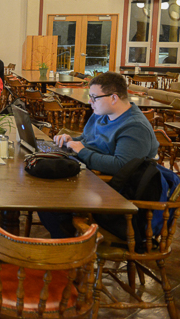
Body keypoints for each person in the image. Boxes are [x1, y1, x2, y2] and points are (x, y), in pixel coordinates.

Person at [39, 72, 159, 238]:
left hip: (114, 192)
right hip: (93, 178)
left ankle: (69, 246)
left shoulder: (135, 128)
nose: (90, 102)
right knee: (42, 185)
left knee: (49, 198)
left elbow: (122, 167)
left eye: (94, 97)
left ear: (114, 98)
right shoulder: (101, 115)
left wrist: (81, 150)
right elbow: (86, 139)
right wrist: (70, 140)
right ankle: (65, 240)